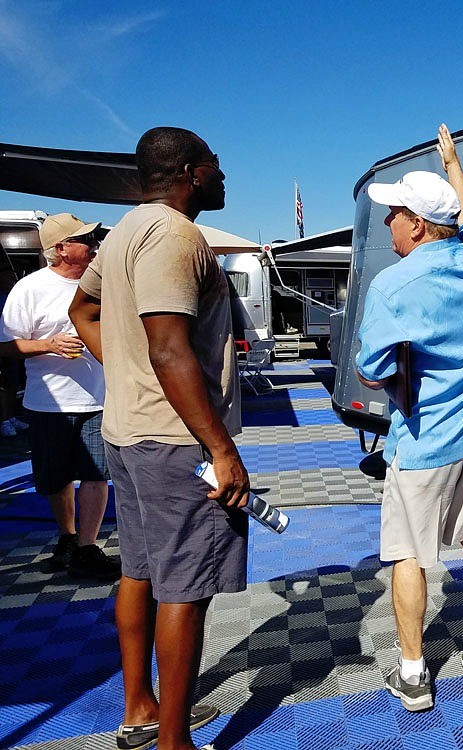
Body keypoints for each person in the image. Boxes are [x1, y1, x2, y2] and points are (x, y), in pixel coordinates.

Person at [70, 127, 249, 750]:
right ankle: (173, 742)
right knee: (186, 588)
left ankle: (140, 707)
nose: (225, 178)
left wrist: (123, 372)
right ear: (192, 173)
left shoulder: (122, 231)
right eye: (218, 167)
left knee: (140, 573)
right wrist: (222, 450)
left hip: (128, 433)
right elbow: (170, 347)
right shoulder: (176, 235)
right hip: (176, 443)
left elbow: (82, 311)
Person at [356, 124, 463, 712]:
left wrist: (403, 367)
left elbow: (371, 373)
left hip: (423, 444)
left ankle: (414, 673)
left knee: (409, 555)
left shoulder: (393, 285)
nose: (389, 223)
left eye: (395, 213)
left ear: (417, 224)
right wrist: (454, 165)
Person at [0, 213, 119, 580]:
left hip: (98, 399)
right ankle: (67, 537)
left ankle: (86, 546)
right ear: (61, 248)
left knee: (97, 476)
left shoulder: (104, 285)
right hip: (48, 403)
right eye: (85, 238)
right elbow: (6, 346)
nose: (94, 244)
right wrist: (47, 345)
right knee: (56, 479)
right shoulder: (30, 289)